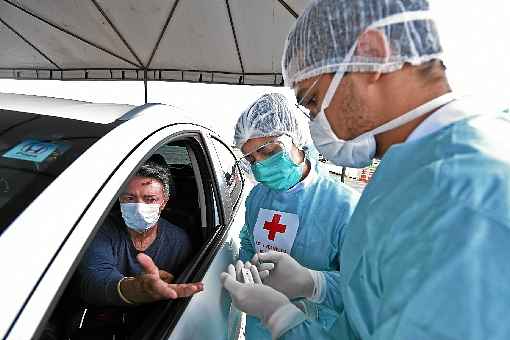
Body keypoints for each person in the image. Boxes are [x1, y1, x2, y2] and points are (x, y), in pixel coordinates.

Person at [221, 0, 510, 339]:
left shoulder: (463, 196)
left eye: (312, 100)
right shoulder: (411, 175)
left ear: (372, 55)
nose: (315, 121)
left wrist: (284, 314)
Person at [233, 93, 360, 340]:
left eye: (268, 151)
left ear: (297, 139)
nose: (259, 165)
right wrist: (246, 272)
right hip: (262, 327)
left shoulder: (343, 206)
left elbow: (366, 289)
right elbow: (250, 240)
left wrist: (314, 283)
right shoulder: (258, 196)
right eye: (250, 159)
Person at [78, 157, 203, 308]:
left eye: (150, 199)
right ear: (119, 199)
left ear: (164, 202)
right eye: (130, 198)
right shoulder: (100, 231)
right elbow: (95, 280)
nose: (138, 208)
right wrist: (139, 288)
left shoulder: (179, 241)